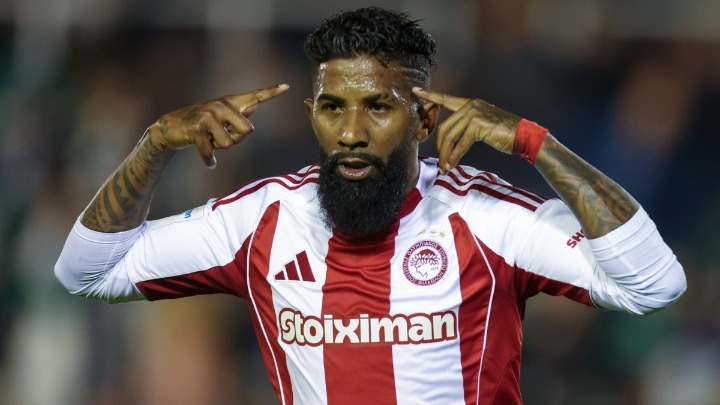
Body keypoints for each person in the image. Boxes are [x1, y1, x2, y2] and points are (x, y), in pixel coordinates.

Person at [55, 6, 686, 404]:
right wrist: (155, 145)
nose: (352, 132)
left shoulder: (487, 218)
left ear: (424, 120)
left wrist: (534, 143)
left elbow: (654, 284)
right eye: (333, 108)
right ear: (313, 116)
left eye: (379, 107)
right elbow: (85, 271)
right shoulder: (263, 219)